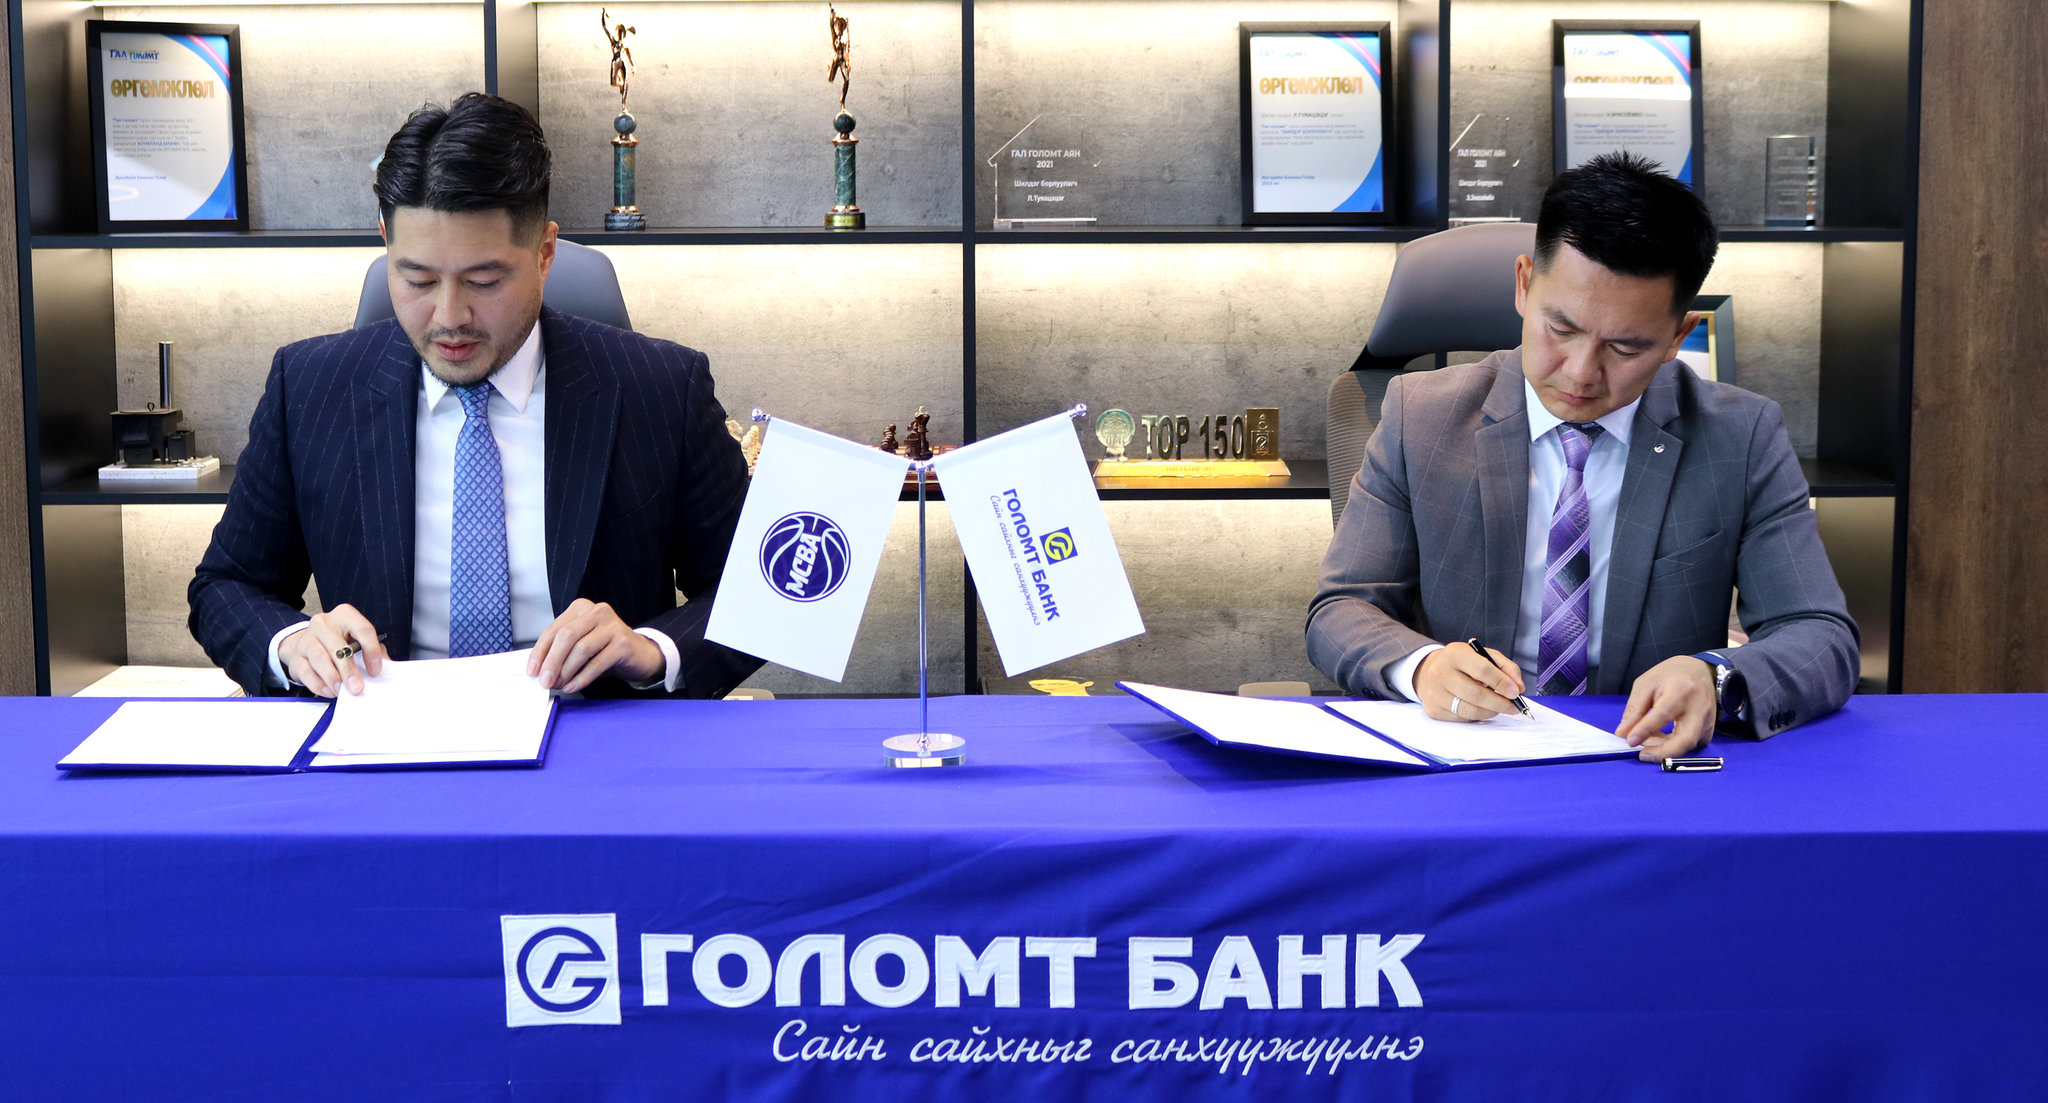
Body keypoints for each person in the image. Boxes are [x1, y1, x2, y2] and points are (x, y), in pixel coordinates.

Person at [189, 93, 762, 699]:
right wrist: (291, 643)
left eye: (484, 281)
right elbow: (226, 586)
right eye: (417, 279)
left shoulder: (661, 387)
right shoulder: (309, 387)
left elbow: (755, 591)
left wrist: (653, 650)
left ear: (544, 254)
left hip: (595, 734)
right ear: (385, 243)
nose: (449, 317)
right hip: (382, 734)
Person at [1306, 153, 1858, 761]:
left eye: (1624, 347)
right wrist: (1421, 667)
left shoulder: (1742, 437)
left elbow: (1821, 636)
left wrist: (1717, 676)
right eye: (1561, 329)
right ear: (1524, 285)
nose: (1580, 372)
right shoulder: (1420, 416)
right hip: (1466, 755)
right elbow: (1341, 610)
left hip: (1642, 756)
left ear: (1677, 337)